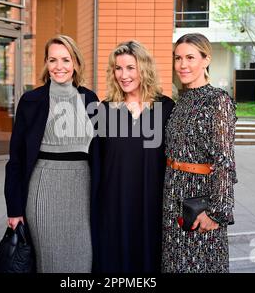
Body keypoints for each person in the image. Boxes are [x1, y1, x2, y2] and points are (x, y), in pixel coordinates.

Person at [4, 35, 100, 273]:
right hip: (44, 188)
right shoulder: (31, 100)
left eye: (66, 60)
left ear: (76, 63)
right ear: (46, 63)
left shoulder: (90, 99)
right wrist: (14, 209)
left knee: (84, 258)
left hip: (83, 190)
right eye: (53, 60)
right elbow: (16, 158)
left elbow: (100, 149)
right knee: (50, 262)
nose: (59, 67)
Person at [95, 40, 175, 273]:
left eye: (131, 67)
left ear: (144, 69)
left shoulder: (166, 107)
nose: (124, 75)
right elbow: (97, 162)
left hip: (152, 205)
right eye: (118, 68)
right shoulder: (105, 109)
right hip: (114, 205)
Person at [161, 33, 237, 273]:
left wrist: (216, 213)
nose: (183, 65)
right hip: (173, 197)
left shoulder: (218, 100)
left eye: (190, 57)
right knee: (174, 265)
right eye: (178, 58)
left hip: (199, 202)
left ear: (206, 60)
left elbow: (224, 161)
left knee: (201, 265)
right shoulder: (180, 101)